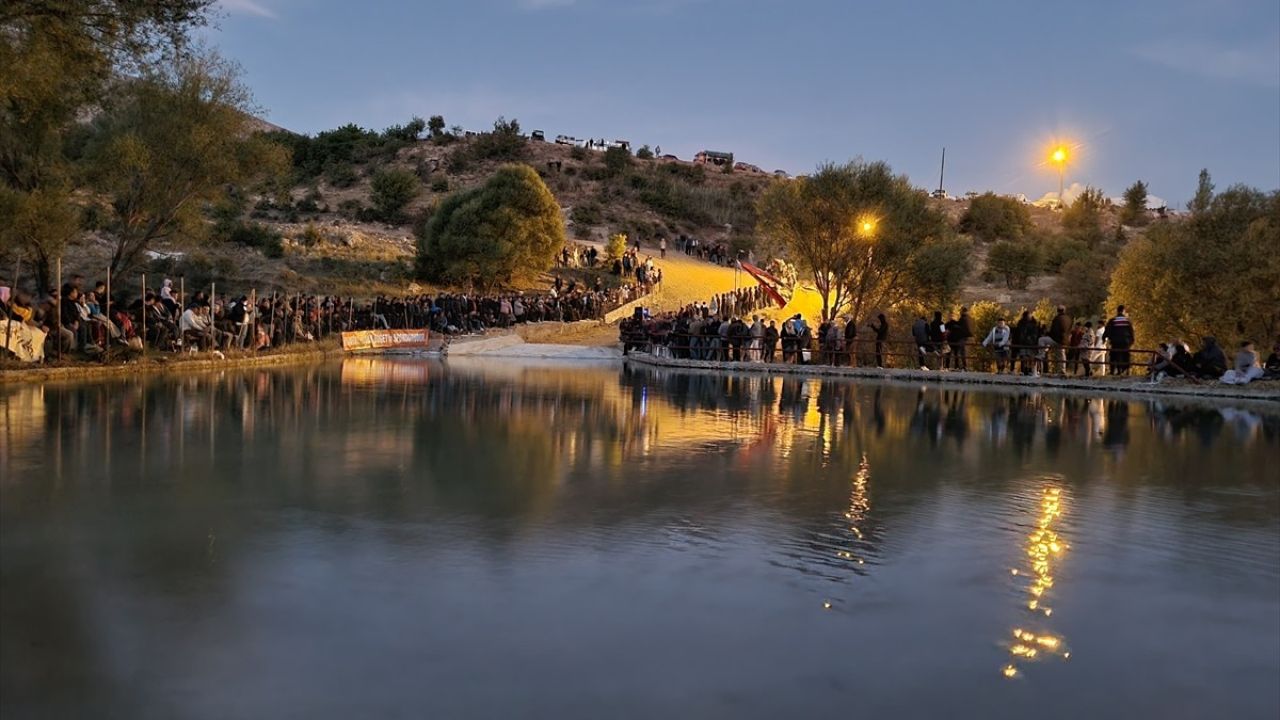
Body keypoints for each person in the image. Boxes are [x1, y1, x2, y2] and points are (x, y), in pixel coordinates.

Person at [1102, 305, 1134, 375]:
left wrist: (1104, 338)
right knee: (1125, 356)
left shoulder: (1113, 320)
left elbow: (1107, 330)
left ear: (1117, 311)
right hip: (1125, 342)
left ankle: (1112, 371)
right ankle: (1125, 371)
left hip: (1115, 341)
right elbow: (1131, 332)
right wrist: (1131, 341)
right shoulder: (1127, 321)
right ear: (1123, 311)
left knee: (1113, 356)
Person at [1049, 306, 1071, 374]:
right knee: (1062, 354)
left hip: (1058, 339)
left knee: (1059, 355)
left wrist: (1051, 336)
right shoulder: (1068, 318)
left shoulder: (1057, 319)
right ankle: (1062, 369)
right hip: (1066, 339)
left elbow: (1054, 329)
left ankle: (1060, 370)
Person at [950, 306, 973, 371]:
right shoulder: (968, 318)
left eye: (961, 311)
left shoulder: (963, 318)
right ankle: (963, 366)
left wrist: (955, 325)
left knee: (961, 351)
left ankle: (962, 366)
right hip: (966, 336)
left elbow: (961, 326)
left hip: (962, 337)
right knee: (962, 352)